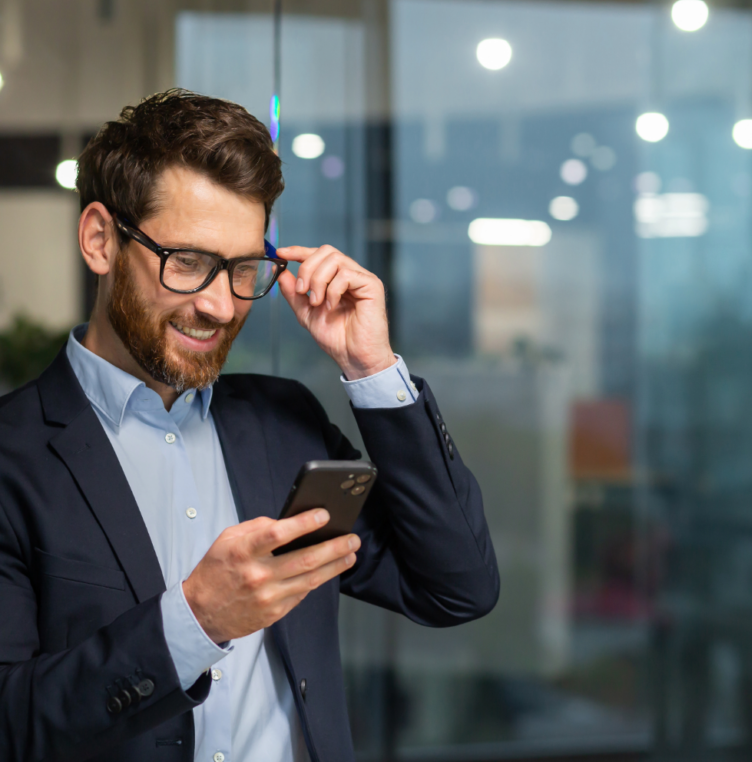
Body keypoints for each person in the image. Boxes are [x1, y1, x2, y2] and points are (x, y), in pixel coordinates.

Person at [0, 89, 499, 762]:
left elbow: (455, 587)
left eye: (242, 269)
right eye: (188, 262)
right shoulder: (13, 456)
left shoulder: (282, 422)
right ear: (100, 240)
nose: (218, 305)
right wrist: (195, 621)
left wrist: (371, 365)